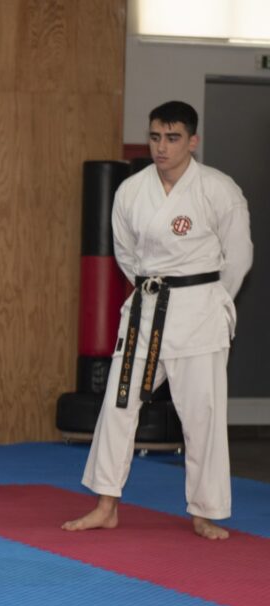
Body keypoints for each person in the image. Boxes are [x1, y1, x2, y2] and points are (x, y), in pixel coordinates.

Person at [62, 101, 252, 540]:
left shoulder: (218, 189)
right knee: (118, 405)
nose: (161, 147)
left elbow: (239, 258)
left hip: (199, 312)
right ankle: (106, 504)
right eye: (155, 137)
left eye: (172, 138)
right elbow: (126, 254)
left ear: (192, 141)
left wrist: (211, 300)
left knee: (201, 415)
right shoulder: (131, 190)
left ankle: (204, 511)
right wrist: (153, 288)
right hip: (147, 311)